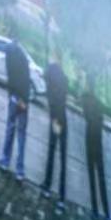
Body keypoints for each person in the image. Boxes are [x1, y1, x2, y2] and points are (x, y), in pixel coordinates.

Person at [0, 38, 33, 180]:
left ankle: (5, 161)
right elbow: (26, 80)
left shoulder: (9, 55)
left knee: (10, 129)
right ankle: (20, 170)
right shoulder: (23, 57)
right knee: (21, 135)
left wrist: (14, 97)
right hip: (23, 101)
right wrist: (24, 101)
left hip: (15, 98)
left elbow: (11, 79)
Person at [41, 52, 69, 200]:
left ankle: (47, 186)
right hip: (62, 118)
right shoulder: (64, 78)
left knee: (52, 152)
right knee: (61, 156)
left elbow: (45, 75)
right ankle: (61, 196)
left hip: (57, 119)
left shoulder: (51, 70)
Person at [83, 82, 111, 219]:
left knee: (92, 176)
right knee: (101, 177)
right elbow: (101, 120)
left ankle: (95, 209)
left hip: (90, 140)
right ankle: (106, 212)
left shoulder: (86, 101)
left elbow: (87, 117)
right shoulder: (98, 104)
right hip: (97, 141)